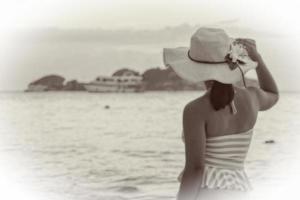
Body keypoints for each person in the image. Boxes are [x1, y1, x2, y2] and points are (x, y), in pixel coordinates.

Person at [163, 27, 279, 200]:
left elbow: (195, 169)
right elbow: (273, 94)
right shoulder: (253, 97)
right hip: (240, 191)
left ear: (196, 69)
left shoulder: (195, 110)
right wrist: (258, 59)